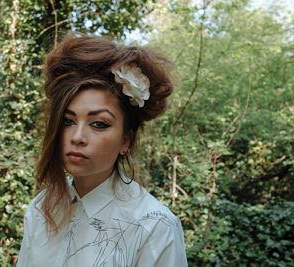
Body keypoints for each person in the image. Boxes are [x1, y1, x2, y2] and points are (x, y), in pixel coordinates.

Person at [17, 33, 188, 267]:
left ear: (125, 141)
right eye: (68, 121)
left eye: (99, 124)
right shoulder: (40, 209)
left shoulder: (155, 226)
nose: (77, 137)